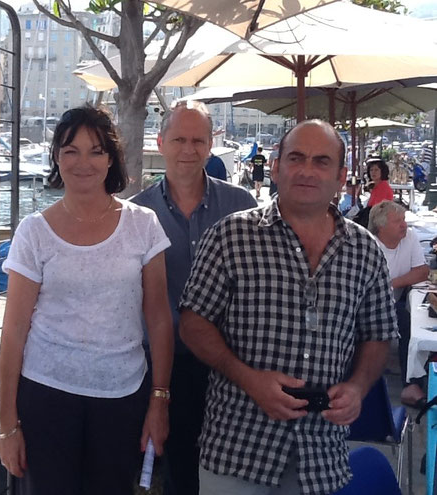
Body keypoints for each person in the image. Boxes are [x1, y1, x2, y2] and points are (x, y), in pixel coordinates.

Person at [179, 119, 398, 495]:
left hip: (321, 455)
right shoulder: (231, 236)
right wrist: (249, 378)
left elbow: (378, 334)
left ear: (341, 175)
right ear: (276, 167)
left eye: (321, 161)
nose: (307, 171)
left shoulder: (366, 252)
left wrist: (359, 388)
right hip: (238, 449)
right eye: (296, 158)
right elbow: (193, 322)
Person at [0, 105, 174, 494]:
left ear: (111, 159)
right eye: (70, 150)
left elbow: (160, 319)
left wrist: (159, 400)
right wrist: (7, 426)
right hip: (46, 397)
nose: (83, 162)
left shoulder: (143, 224)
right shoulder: (34, 232)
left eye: (95, 151)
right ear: (57, 157)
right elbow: (13, 334)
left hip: (122, 398)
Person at [132, 100, 256, 495]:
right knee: (178, 469)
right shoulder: (136, 212)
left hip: (227, 360)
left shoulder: (241, 206)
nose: (189, 149)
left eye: (198, 140)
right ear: (161, 141)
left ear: (211, 144)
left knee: (230, 470)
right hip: (161, 364)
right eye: (180, 139)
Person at [369, 200, 429, 408]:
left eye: (404, 219)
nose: (404, 225)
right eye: (398, 221)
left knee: (419, 314)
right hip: (370, 305)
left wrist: (392, 283)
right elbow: (370, 292)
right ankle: (410, 385)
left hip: (395, 296)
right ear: (382, 227)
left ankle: (421, 375)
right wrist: (395, 285)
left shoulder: (409, 237)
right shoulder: (370, 246)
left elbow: (422, 271)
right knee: (405, 322)